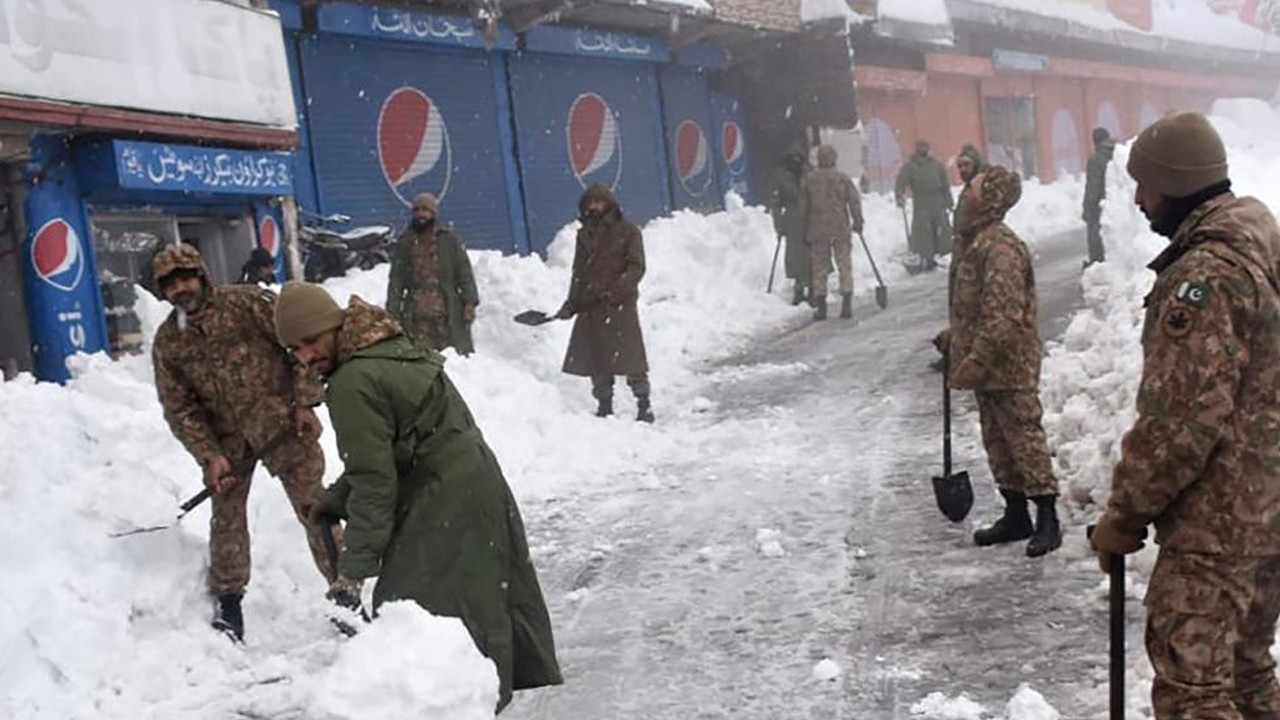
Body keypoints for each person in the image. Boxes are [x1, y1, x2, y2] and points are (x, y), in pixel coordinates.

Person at [273, 282, 563, 712]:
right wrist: (335, 500)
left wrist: (352, 571)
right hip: (473, 482)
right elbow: (388, 450)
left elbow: (375, 482)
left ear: (332, 326)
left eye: (311, 341)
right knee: (476, 604)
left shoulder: (352, 381)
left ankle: (463, 704)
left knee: (416, 618)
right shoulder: (384, 347)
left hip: (443, 495)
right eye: (295, 348)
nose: (306, 355)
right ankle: (475, 700)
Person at [1089, 112, 1280, 718]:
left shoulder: (1203, 277)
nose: (1140, 199)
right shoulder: (1261, 248)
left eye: (1145, 185)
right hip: (1269, 511)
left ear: (1174, 182)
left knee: (1193, 691)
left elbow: (1181, 422)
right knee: (1248, 674)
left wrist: (1125, 514)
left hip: (1219, 524)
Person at [149, 244, 333, 642]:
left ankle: (346, 592)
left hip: (283, 425)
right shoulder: (168, 342)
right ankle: (229, 604)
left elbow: (298, 345)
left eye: (186, 277)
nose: (182, 288)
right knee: (227, 519)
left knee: (316, 509)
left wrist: (305, 402)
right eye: (171, 284)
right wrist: (209, 455)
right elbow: (179, 407)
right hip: (228, 442)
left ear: (201, 275)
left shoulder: (247, 304)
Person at [934, 165, 1061, 558]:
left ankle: (1047, 517)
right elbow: (978, 310)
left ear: (988, 200)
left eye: (970, 189)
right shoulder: (976, 244)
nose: (963, 194)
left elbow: (1003, 317)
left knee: (1023, 438)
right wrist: (956, 339)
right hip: (988, 366)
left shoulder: (1000, 248)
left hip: (1010, 365)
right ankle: (1016, 513)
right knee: (998, 442)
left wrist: (977, 359)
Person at [555, 183, 653, 423]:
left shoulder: (628, 231)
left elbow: (637, 267)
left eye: (598, 202)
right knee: (597, 357)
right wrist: (571, 303)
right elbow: (578, 272)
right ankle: (604, 404)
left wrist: (617, 290)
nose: (594, 207)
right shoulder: (583, 235)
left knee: (631, 356)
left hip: (620, 304)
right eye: (590, 203)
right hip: (591, 305)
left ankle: (643, 404)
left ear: (609, 203)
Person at [385, 192, 479, 356]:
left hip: (448, 311)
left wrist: (469, 302)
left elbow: (464, 272)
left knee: (454, 360)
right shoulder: (405, 242)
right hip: (416, 315)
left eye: (425, 210)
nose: (421, 214)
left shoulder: (448, 240)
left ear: (433, 213)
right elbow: (396, 280)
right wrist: (392, 312)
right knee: (420, 359)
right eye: (417, 210)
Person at [931, 144, 987, 373]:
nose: (963, 170)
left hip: (971, 256)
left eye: (967, 165)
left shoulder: (979, 189)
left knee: (968, 308)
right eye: (960, 165)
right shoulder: (968, 189)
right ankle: (957, 352)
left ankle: (964, 355)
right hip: (962, 255)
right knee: (958, 305)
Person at [804, 144, 863, 321]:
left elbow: (803, 207)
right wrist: (858, 221)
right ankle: (846, 304)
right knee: (844, 264)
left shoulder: (810, 180)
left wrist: (804, 229)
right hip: (840, 227)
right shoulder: (842, 178)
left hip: (818, 228)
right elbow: (854, 201)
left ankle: (821, 308)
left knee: (819, 267)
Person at [895, 140, 953, 271]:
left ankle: (942, 255)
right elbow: (900, 183)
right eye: (921, 147)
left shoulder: (937, 165)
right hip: (921, 201)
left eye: (925, 147)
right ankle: (926, 258)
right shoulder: (910, 166)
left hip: (937, 201)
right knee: (923, 232)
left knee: (941, 230)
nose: (923, 150)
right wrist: (899, 196)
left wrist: (949, 201)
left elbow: (945, 185)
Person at [769, 144, 810, 305]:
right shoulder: (781, 176)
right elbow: (776, 204)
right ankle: (799, 287)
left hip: (808, 217)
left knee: (810, 253)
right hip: (793, 219)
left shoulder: (809, 173)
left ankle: (813, 287)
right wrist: (779, 225)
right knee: (795, 255)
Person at [1082, 127, 1115, 266]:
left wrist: (1087, 208)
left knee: (1095, 233)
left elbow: (1092, 187)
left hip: (1100, 205)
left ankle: (1098, 264)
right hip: (1116, 203)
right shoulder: (1117, 154)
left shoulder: (1096, 159)